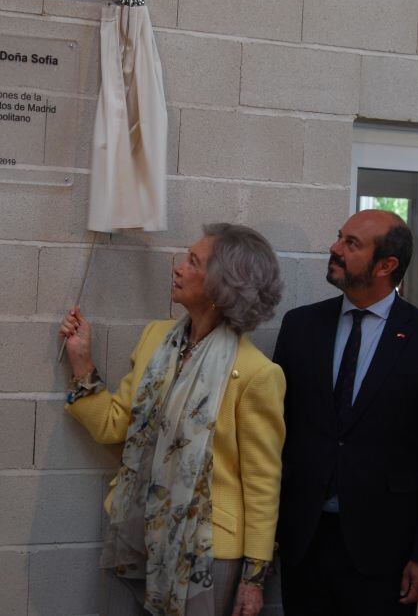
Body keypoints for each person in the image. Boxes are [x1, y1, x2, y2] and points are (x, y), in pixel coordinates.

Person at [60, 223, 286, 616]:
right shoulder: (156, 339)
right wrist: (81, 362)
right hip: (142, 533)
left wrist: (253, 579)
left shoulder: (256, 374)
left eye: (193, 262)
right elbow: (115, 426)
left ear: (221, 286)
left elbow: (263, 483)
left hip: (208, 550)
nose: (177, 268)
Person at [274, 209, 418, 615]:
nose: (335, 248)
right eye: (340, 237)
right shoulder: (301, 326)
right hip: (303, 539)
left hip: (385, 551)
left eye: (351, 244)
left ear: (386, 265)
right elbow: (278, 432)